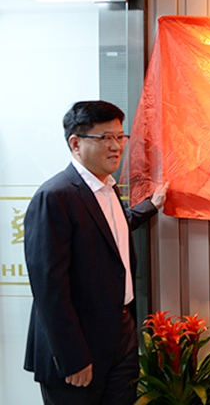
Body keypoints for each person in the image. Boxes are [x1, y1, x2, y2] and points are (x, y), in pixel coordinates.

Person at [23, 100, 169, 405]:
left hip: (121, 332)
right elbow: (49, 288)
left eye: (119, 136)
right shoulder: (55, 196)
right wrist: (72, 357)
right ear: (75, 143)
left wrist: (150, 206)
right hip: (79, 342)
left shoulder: (107, 187)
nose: (116, 146)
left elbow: (110, 230)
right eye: (104, 138)